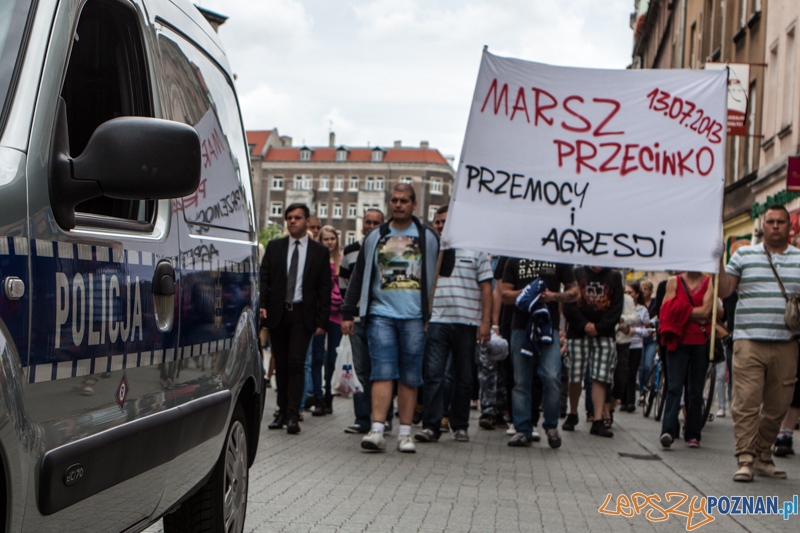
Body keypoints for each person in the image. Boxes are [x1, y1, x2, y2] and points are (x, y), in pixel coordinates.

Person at [341, 184, 441, 453]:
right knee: (381, 372)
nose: (398, 205)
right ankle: (377, 429)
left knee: (410, 375)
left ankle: (406, 433)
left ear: (413, 204)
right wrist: (348, 311)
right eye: (394, 200)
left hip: (414, 317)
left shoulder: (427, 236)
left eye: (404, 200)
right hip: (380, 314)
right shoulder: (376, 236)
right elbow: (359, 275)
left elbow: (443, 270)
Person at [719, 204, 800, 481]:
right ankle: (745, 458)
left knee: (779, 404)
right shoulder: (743, 254)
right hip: (749, 341)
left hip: (786, 343)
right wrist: (717, 262)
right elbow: (726, 290)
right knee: (746, 402)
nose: (775, 226)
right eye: (771, 222)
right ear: (762, 226)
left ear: (790, 227)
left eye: (781, 222)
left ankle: (764, 454)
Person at [415, 206, 492, 444]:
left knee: (464, 377)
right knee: (434, 375)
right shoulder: (431, 249)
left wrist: (486, 322)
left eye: (445, 222)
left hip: (467, 321)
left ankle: (460, 425)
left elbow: (486, 288)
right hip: (437, 321)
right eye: (437, 222)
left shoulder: (477, 248)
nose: (440, 226)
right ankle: (431, 425)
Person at [260, 204, 331, 434]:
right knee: (280, 365)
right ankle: (280, 412)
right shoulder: (275, 247)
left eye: (297, 218)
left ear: (306, 220)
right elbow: (265, 279)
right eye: (289, 218)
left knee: (296, 364)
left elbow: (324, 288)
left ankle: (293, 414)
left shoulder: (319, 252)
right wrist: (262, 306)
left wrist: (322, 321)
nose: (292, 221)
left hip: (303, 315)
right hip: (279, 313)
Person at [501, 258, 579, 448]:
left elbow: (575, 292)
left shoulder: (555, 256)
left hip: (548, 326)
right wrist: (528, 292)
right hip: (520, 325)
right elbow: (504, 295)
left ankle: (551, 425)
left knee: (552, 375)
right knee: (521, 380)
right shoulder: (514, 259)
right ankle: (523, 429)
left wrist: (552, 296)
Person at [339, 209, 388, 434]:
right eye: (367, 222)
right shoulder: (350, 251)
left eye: (376, 222)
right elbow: (343, 286)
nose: (371, 226)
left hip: (381, 318)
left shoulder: (389, 247)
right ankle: (362, 419)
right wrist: (347, 315)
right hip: (357, 319)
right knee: (360, 370)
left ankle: (384, 419)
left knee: (383, 370)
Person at [563, 266, 623, 438]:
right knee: (575, 374)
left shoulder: (614, 278)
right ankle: (573, 413)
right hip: (577, 332)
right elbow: (568, 304)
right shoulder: (576, 274)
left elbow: (616, 309)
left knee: (601, 376)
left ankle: (598, 419)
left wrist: (599, 327)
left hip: (603, 334)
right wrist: (584, 325)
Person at [310, 226, 344, 417]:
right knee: (317, 358)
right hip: (319, 316)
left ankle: (329, 397)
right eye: (326, 239)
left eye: (333, 238)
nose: (330, 242)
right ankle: (317, 397)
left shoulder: (341, 261)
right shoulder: (316, 261)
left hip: (338, 316)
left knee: (332, 359)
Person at [625, 282, 650, 411]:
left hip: (636, 345)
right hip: (623, 343)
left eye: (630, 293)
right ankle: (622, 399)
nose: (628, 295)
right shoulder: (622, 307)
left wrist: (636, 331)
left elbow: (648, 331)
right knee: (622, 372)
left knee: (632, 372)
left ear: (636, 294)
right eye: (626, 293)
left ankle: (630, 401)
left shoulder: (642, 310)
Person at [637, 279, 659, 406]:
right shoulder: (639, 304)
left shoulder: (655, 304)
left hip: (651, 338)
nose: (644, 291)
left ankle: (647, 387)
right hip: (640, 338)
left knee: (648, 364)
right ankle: (641, 392)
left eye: (646, 289)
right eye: (642, 289)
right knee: (640, 367)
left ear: (651, 291)